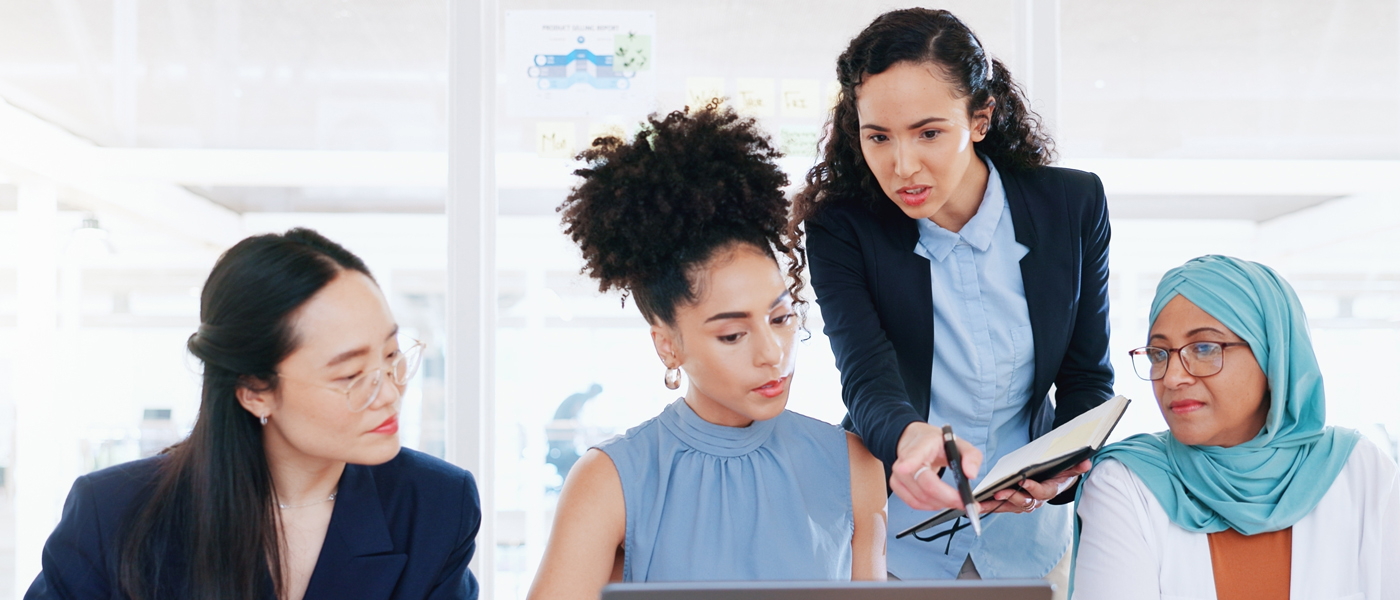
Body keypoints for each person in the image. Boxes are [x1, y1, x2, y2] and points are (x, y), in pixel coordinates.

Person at [792, 7, 1113, 585]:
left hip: (1028, 541)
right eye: (878, 137)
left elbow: (1087, 377)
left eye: (929, 132)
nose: (902, 165)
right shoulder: (844, 228)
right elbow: (866, 377)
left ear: (981, 118)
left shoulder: (1073, 206)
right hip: (896, 537)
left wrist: (1059, 472)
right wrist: (910, 438)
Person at [526, 105, 890, 600]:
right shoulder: (609, 481)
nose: (772, 353)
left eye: (781, 318)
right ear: (668, 346)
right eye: (732, 335)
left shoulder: (855, 468)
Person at [26, 229, 481, 600]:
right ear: (255, 391)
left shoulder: (435, 505)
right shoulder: (114, 512)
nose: (390, 392)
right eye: (350, 375)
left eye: (391, 354)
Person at [1072, 255, 1400, 599]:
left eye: (1204, 348)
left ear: (1272, 356)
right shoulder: (1126, 481)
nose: (1172, 377)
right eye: (1159, 354)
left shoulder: (1360, 472)